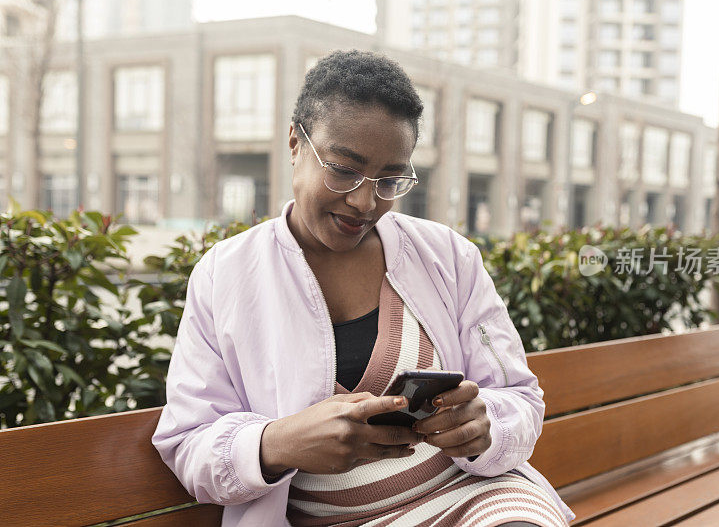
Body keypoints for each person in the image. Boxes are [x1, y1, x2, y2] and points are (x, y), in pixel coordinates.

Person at [152, 50, 575, 527]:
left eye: (391, 179)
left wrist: (485, 425)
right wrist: (280, 442)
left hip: (473, 499)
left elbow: (518, 396)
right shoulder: (225, 276)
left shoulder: (449, 257)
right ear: (296, 144)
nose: (364, 201)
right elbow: (189, 441)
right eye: (343, 169)